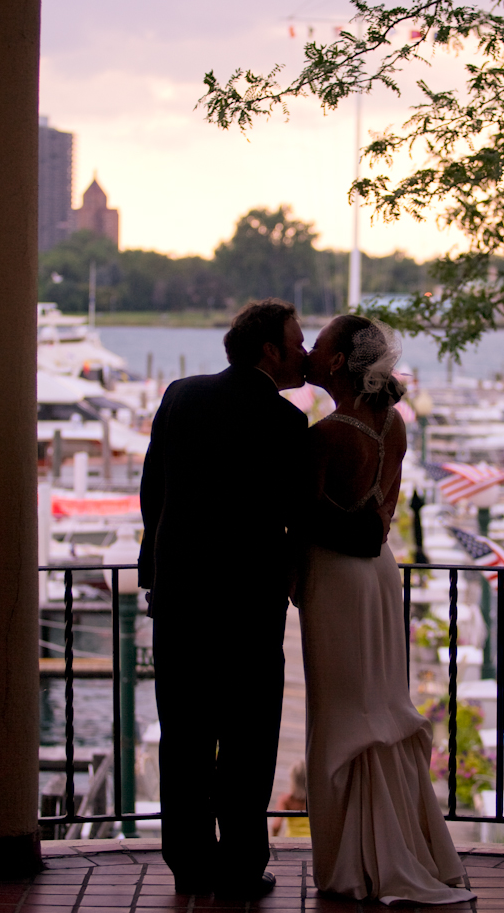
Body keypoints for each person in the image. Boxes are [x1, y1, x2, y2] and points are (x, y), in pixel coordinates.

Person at [138, 300, 384, 899]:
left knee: (184, 735)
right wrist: (367, 532)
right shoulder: (283, 422)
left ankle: (189, 863)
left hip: (180, 598)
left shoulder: (180, 396)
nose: (304, 354)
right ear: (270, 351)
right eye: (297, 343)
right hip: (249, 604)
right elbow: (300, 512)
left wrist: (156, 574)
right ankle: (243, 866)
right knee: (248, 738)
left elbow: (153, 494)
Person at [298, 315, 476, 906]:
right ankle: (393, 846)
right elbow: (383, 514)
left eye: (318, 345)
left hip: (335, 577)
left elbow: (303, 517)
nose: (309, 351)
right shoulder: (393, 423)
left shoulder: (326, 436)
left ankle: (352, 863)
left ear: (339, 362)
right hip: (379, 572)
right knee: (378, 701)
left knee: (342, 709)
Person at [270, 760, 310, 837]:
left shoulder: (286, 799)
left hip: (292, 840)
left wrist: (274, 837)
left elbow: (276, 826)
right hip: (312, 841)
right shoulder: (316, 800)